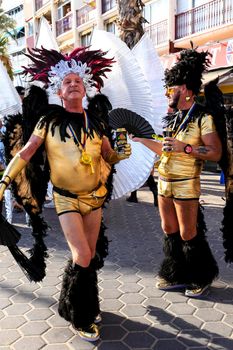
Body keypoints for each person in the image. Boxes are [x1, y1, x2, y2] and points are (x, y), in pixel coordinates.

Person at [0, 46, 131, 341]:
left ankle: (80, 303)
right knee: (82, 252)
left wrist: (122, 151)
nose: (73, 84)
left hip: (95, 196)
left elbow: (108, 158)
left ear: (85, 88)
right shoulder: (49, 122)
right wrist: (4, 182)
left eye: (77, 81)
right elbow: (25, 152)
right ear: (58, 92)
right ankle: (80, 316)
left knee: (89, 254)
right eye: (67, 82)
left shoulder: (96, 124)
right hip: (66, 197)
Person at [130, 45, 221, 298]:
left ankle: (200, 276)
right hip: (164, 183)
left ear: (187, 90)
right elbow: (165, 149)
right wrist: (141, 139)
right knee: (168, 229)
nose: (169, 91)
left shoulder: (203, 117)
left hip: (186, 182)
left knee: (188, 232)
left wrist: (188, 148)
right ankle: (176, 274)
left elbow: (215, 152)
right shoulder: (173, 119)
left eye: (174, 87)